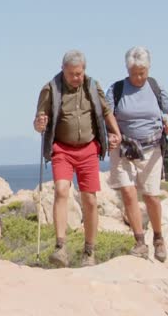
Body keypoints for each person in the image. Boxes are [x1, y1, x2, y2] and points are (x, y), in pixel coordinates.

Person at [33, 50, 122, 268]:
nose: (77, 78)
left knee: (90, 199)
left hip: (88, 149)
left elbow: (106, 110)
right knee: (61, 190)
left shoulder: (92, 86)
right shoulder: (50, 89)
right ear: (63, 70)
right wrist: (39, 124)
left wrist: (116, 133)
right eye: (72, 74)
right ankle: (60, 247)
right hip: (61, 149)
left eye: (80, 73)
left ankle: (89, 251)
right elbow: (38, 122)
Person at [107, 46, 168, 262]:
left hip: (152, 149)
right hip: (124, 148)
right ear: (127, 69)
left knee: (151, 196)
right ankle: (140, 241)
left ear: (148, 69)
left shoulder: (154, 87)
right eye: (134, 73)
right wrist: (113, 133)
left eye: (142, 72)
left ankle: (158, 238)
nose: (138, 77)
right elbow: (107, 114)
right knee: (129, 193)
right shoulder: (117, 89)